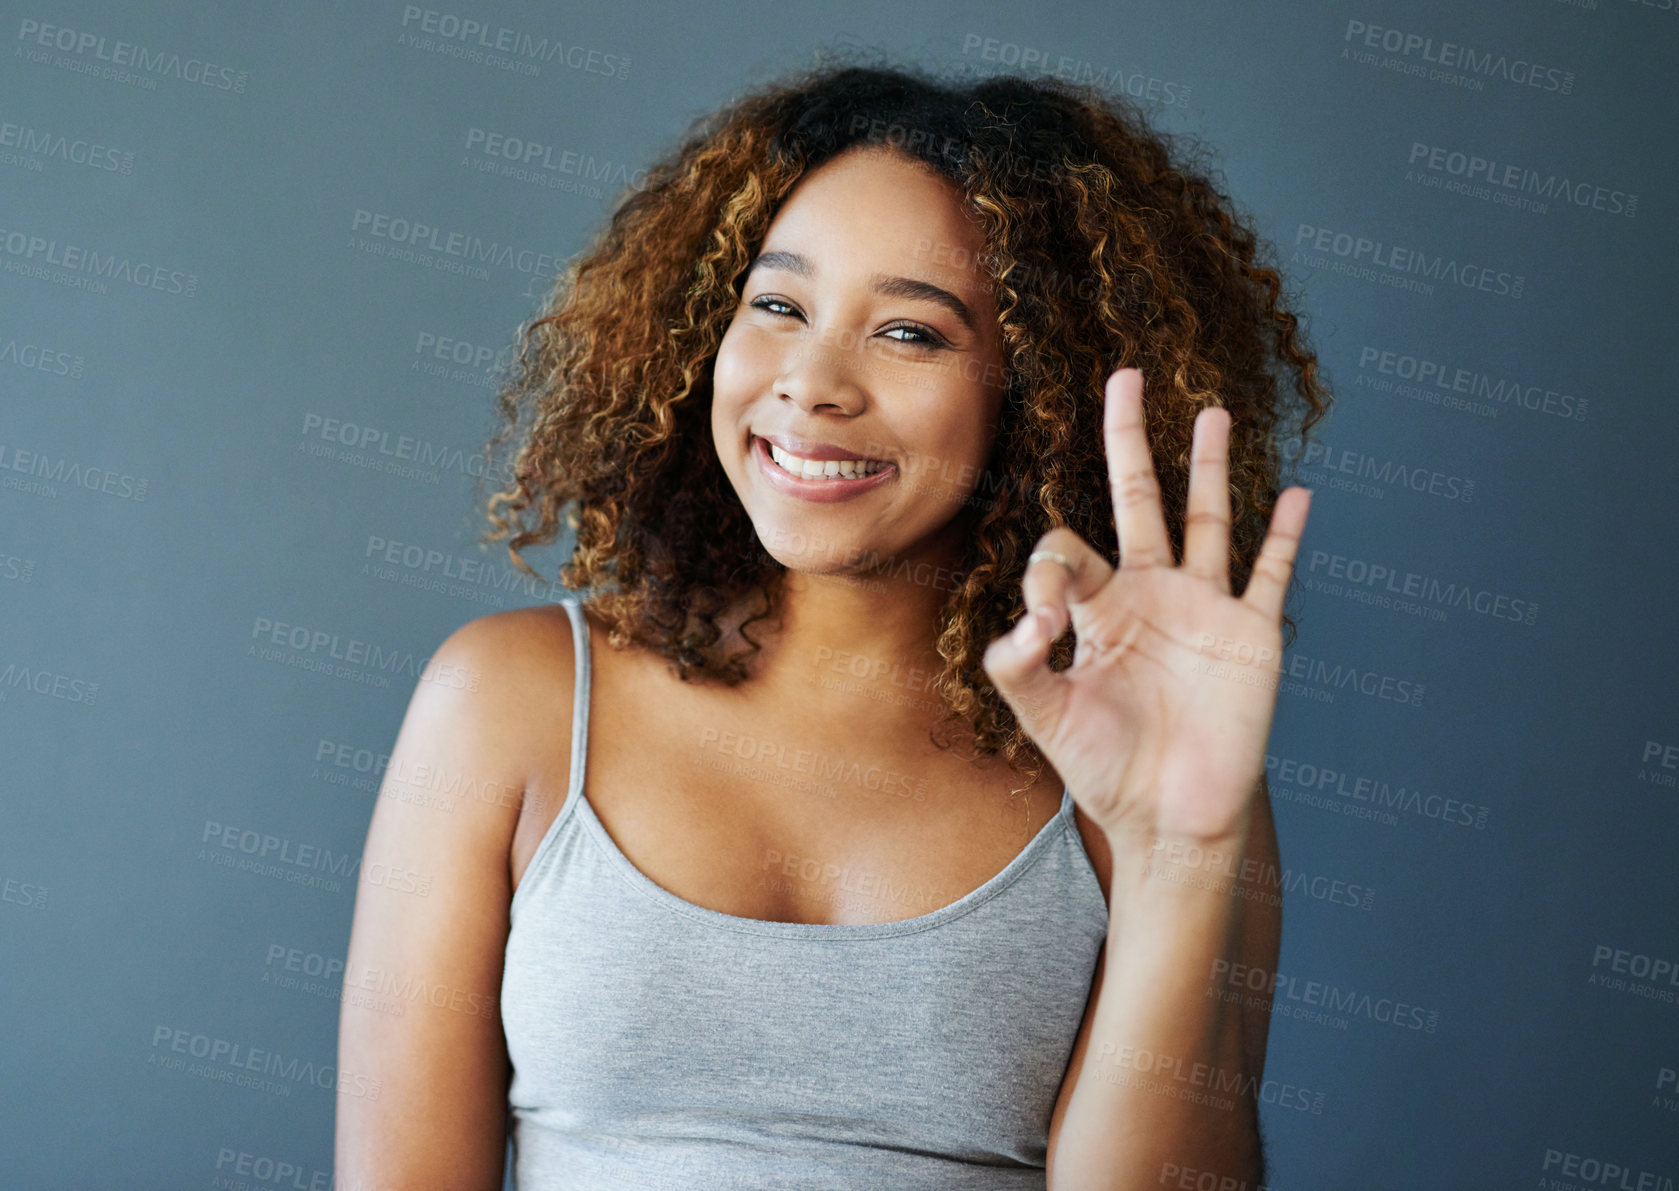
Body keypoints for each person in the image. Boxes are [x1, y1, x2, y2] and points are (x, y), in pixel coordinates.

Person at [336, 58, 1328, 1191]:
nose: (810, 383)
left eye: (908, 334)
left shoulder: (1150, 775)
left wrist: (1179, 858)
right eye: (778, 305)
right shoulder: (506, 703)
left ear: (1038, 390)